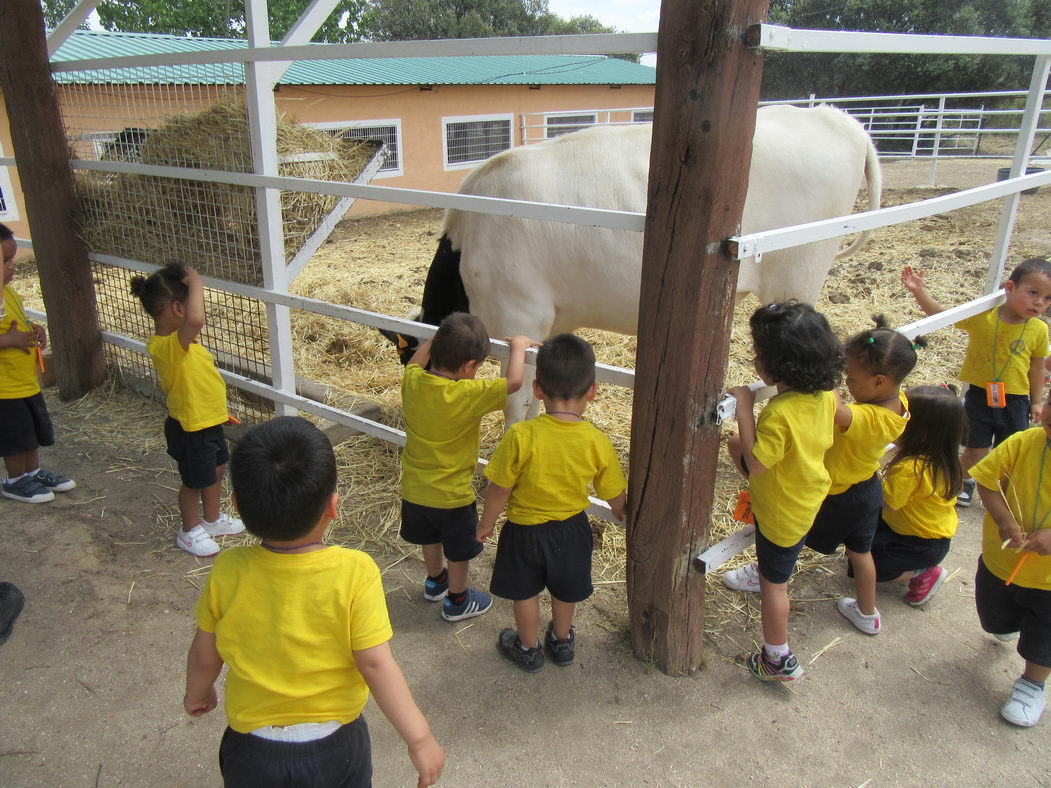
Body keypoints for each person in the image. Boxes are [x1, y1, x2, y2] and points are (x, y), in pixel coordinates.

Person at [183, 417, 444, 785]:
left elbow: (205, 654)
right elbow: (375, 664)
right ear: (333, 506)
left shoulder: (228, 570)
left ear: (237, 505)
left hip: (252, 750)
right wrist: (419, 737)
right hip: (336, 747)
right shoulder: (355, 571)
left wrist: (198, 691)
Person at [725, 317, 918, 637]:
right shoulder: (900, 405)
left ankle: (766, 574)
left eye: (851, 377)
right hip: (867, 489)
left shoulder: (869, 417)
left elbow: (834, 405)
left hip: (838, 493)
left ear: (880, 381)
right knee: (861, 553)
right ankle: (867, 613)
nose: (846, 383)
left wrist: (813, 372)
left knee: (785, 537)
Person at [477, 333, 626, 673]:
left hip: (524, 531)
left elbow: (498, 488)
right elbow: (612, 491)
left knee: (525, 592)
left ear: (538, 388)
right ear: (593, 391)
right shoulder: (596, 441)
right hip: (572, 530)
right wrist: (622, 509)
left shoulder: (521, 436)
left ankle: (528, 648)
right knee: (565, 589)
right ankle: (561, 640)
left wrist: (485, 525)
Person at [725, 301, 842, 681]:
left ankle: (778, 658)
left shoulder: (778, 412)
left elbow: (757, 463)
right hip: (807, 498)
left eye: (760, 354)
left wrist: (744, 407)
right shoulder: (827, 397)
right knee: (779, 558)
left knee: (777, 587)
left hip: (781, 512)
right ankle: (766, 568)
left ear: (774, 366)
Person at [400, 311, 537, 622]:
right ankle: (458, 601)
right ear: (469, 367)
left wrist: (440, 334)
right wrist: (518, 345)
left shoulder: (412, 381)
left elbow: (414, 362)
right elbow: (514, 382)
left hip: (415, 491)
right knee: (459, 552)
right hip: (453, 497)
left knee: (430, 539)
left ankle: (435, 582)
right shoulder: (469, 393)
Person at [902, 258, 1051, 506]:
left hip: (1015, 401)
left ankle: (1001, 492)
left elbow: (1036, 368)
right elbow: (943, 315)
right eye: (1034, 293)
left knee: (1010, 450)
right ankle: (957, 482)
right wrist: (919, 292)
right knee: (975, 449)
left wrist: (1036, 402)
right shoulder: (984, 316)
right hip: (980, 396)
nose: (1039, 302)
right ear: (1010, 288)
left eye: (1047, 298)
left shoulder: (1038, 329)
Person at [130, 263, 244, 556]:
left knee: (216, 470)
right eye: (192, 300)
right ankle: (189, 530)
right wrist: (196, 284)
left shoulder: (189, 347)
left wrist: (220, 415)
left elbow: (200, 385)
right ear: (178, 309)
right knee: (194, 481)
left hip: (208, 423)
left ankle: (213, 519)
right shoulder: (165, 347)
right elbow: (197, 320)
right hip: (190, 429)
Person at [971, 403, 1051, 728]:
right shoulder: (1024, 441)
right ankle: (1009, 622)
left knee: (1043, 636)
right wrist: (1003, 520)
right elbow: (987, 480)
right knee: (994, 620)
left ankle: (1033, 684)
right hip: (1001, 560)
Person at [0, 222, 75, 504]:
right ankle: (15, 480)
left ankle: (33, 472)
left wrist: (33, 329)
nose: (12, 266)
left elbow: (13, 322)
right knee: (16, 436)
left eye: (12, 258)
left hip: (26, 381)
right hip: (5, 389)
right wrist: (11, 341)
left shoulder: (9, 294)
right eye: (4, 260)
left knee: (31, 432)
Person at [871, 385, 965, 607]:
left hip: (918, 543)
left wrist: (866, 471)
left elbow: (886, 502)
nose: (896, 421)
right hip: (925, 534)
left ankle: (924, 572)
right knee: (860, 544)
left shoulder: (911, 469)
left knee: (869, 568)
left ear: (920, 433)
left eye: (903, 418)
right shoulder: (942, 459)